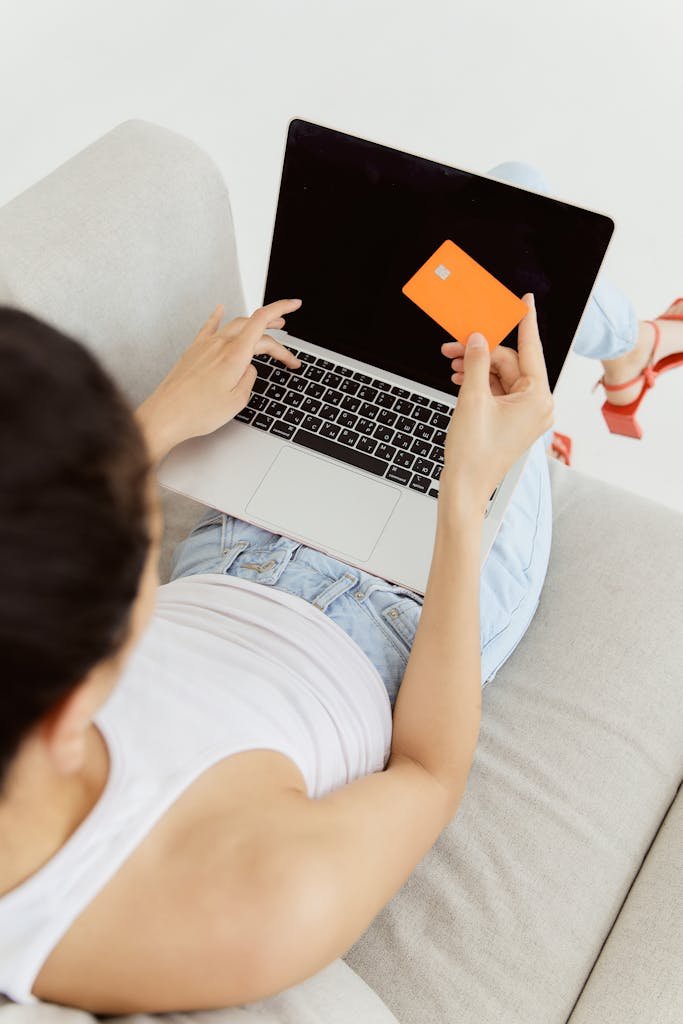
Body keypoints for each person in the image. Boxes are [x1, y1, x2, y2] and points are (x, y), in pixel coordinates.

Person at [0, 160, 680, 1013]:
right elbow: (430, 771)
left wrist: (170, 413)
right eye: (125, 561)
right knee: (508, 233)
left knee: (458, 273)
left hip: (237, 544)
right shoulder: (242, 909)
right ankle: (634, 354)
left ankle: (609, 363)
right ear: (75, 710)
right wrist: (470, 492)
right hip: (419, 604)